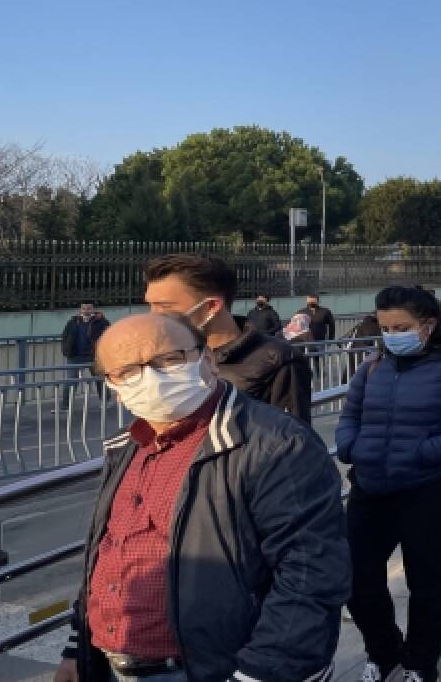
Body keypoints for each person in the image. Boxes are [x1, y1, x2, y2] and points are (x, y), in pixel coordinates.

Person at [57, 313, 348, 682]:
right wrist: (77, 645)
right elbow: (111, 550)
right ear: (113, 387)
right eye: (128, 371)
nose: (151, 378)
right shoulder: (127, 446)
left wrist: (259, 673)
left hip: (210, 669)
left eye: (169, 360)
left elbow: (311, 573)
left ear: (207, 360)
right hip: (108, 663)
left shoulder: (274, 445)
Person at [336, 286, 441, 682]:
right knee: (356, 577)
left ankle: (420, 664)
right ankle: (383, 653)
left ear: (428, 324)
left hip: (429, 491)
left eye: (401, 326)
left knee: (426, 584)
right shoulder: (372, 366)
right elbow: (349, 415)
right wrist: (349, 445)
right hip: (371, 488)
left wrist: (427, 451)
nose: (391, 335)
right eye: (385, 327)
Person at [143, 254, 313, 422]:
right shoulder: (160, 358)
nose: (154, 316)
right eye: (150, 305)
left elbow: (293, 439)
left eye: (165, 306)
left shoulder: (279, 360)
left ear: (212, 306)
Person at [60, 300, 110, 407]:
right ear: (80, 309)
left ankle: (105, 401)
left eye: (89, 308)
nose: (86, 311)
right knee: (70, 381)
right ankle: (66, 406)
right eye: (83, 308)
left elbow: (108, 336)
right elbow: (65, 336)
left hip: (94, 357)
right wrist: (66, 349)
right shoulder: (73, 321)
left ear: (93, 309)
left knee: (100, 379)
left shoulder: (101, 322)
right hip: (75, 356)